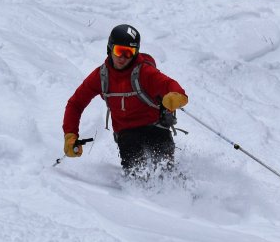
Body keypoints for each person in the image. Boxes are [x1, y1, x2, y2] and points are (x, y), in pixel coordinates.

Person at [63, 24, 189, 176]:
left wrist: (176, 95)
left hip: (155, 126)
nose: (122, 57)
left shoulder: (144, 72)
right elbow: (76, 103)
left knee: (164, 166)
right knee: (135, 169)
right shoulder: (101, 77)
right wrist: (70, 135)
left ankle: (177, 191)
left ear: (135, 53)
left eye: (129, 53)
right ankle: (136, 196)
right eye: (118, 51)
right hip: (126, 132)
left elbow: (169, 84)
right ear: (110, 49)